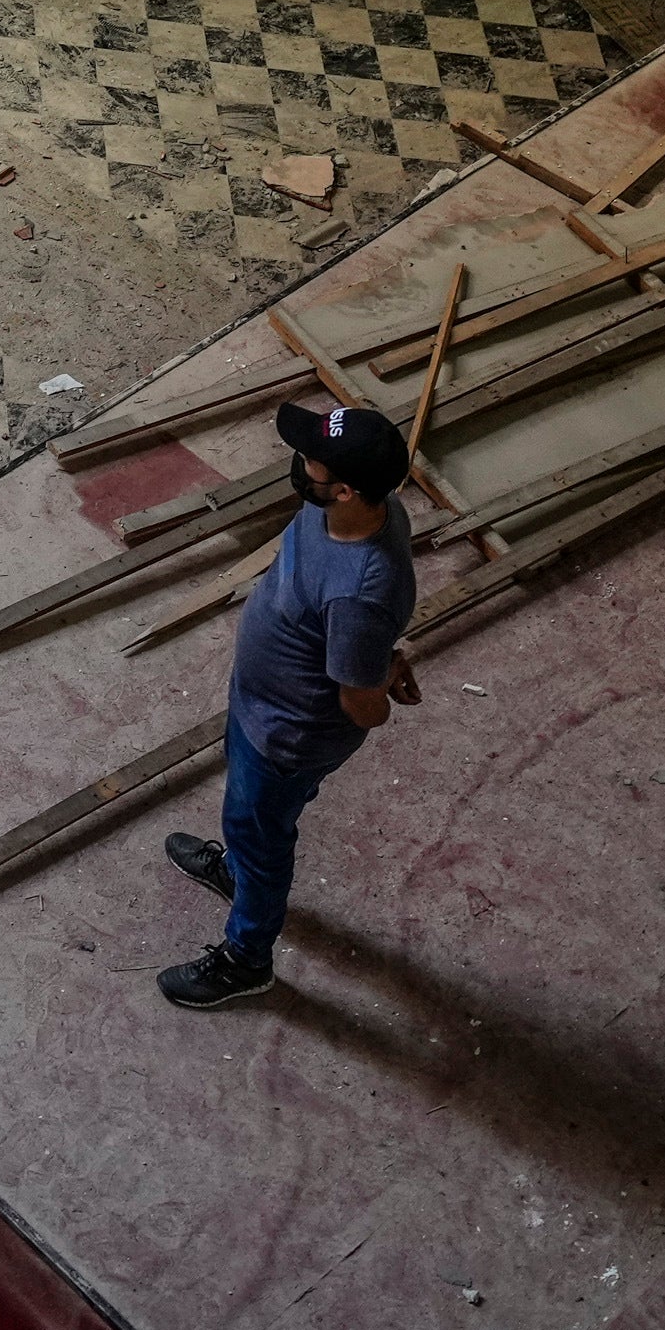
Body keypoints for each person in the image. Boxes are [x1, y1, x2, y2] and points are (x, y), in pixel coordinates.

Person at [159, 399, 419, 1013]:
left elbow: (364, 710)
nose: (300, 464)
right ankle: (241, 869)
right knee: (250, 823)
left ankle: (248, 958)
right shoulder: (339, 509)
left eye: (311, 460)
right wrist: (385, 659)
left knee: (263, 834)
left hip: (285, 736)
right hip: (257, 703)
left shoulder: (363, 590)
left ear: (348, 489)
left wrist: (377, 680)